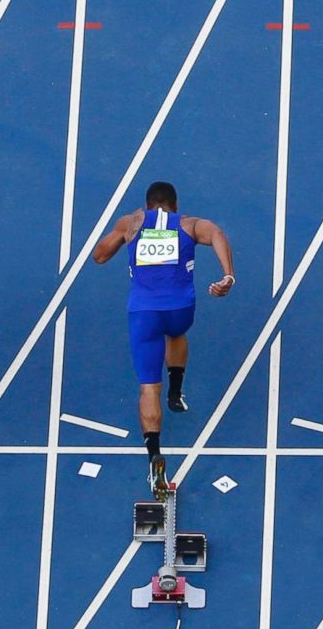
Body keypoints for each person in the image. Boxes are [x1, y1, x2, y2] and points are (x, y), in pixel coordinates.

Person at [93, 181, 234, 500]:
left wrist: (124, 236)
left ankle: (154, 454)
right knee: (177, 334)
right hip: (180, 309)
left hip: (143, 312)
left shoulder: (132, 222)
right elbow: (217, 235)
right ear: (175, 204)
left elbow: (99, 256)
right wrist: (228, 275)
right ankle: (175, 391)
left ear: (147, 204)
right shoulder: (188, 224)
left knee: (147, 388)